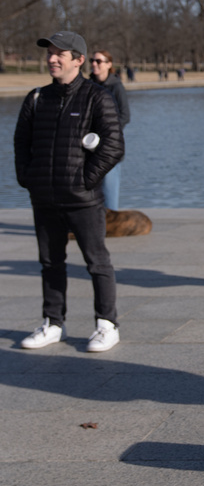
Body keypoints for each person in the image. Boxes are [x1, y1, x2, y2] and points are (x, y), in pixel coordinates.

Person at [14, 31, 125, 352]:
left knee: (97, 263)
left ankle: (107, 324)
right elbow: (21, 143)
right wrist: (28, 177)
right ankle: (53, 323)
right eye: (50, 53)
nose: (52, 58)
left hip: (82, 199)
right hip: (44, 197)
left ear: (78, 60)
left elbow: (114, 146)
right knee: (50, 262)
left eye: (60, 54)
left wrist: (84, 180)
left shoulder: (97, 97)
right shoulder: (36, 98)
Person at [89, 49, 130, 212]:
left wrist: (106, 133)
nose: (94, 64)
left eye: (99, 61)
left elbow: (125, 116)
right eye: (92, 60)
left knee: (109, 188)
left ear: (109, 64)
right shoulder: (88, 85)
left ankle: (109, 224)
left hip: (109, 145)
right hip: (89, 145)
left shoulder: (116, 86)